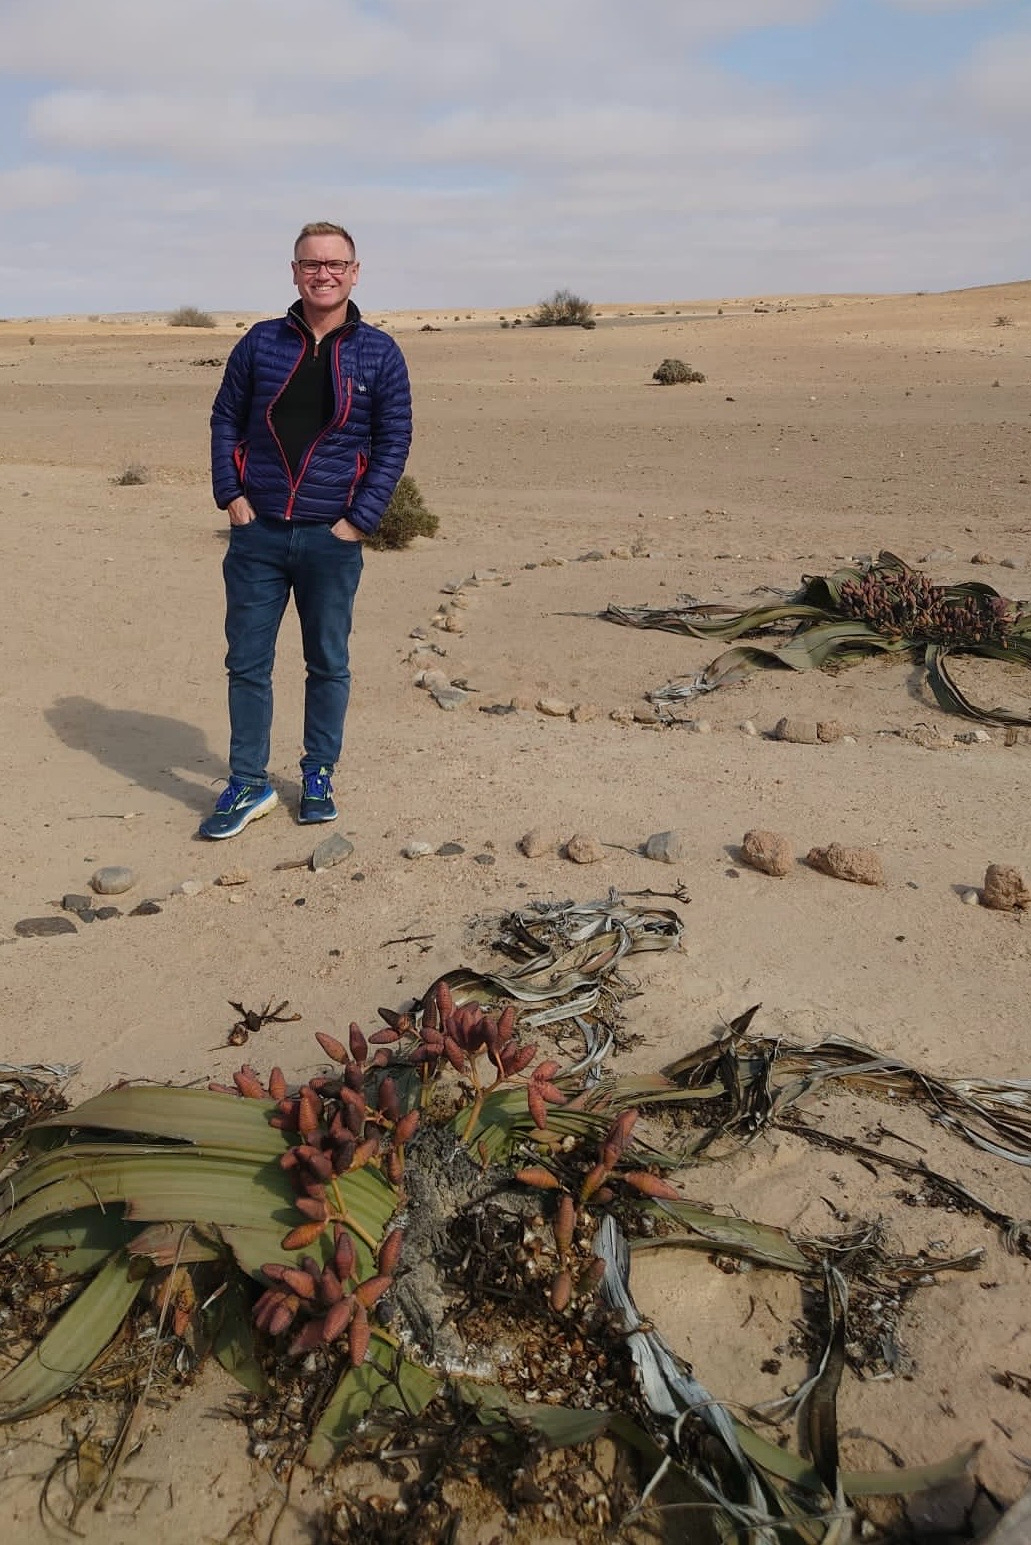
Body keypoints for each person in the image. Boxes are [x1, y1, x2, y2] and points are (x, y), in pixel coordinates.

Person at [202, 221, 412, 840]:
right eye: (311, 264)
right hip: (258, 535)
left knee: (327, 663)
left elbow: (393, 439)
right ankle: (248, 781)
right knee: (247, 662)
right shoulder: (261, 343)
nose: (324, 274)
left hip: (331, 538)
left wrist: (359, 520)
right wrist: (232, 496)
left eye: (335, 264)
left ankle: (318, 773)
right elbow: (224, 419)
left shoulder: (379, 352)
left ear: (354, 271)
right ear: (293, 271)